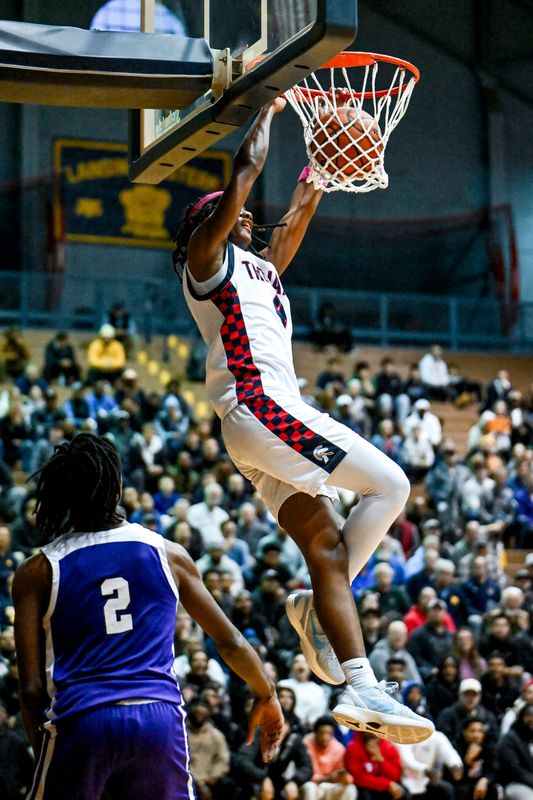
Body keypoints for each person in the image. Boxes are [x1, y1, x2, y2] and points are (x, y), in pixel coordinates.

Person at [173, 96, 433, 744]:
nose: (244, 217)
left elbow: (295, 215)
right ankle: (333, 626)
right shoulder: (207, 262)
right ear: (208, 223)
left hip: (257, 425)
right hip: (262, 410)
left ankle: (353, 678)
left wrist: (320, 162)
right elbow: (242, 177)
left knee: (323, 547)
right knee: (391, 486)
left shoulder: (261, 267)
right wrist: (269, 108)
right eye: (228, 213)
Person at [12, 433, 283, 800]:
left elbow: (30, 691)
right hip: (157, 719)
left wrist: (50, 750)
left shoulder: (38, 571)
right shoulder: (167, 554)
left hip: (82, 719)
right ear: (119, 486)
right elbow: (230, 640)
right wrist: (265, 693)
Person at [496, 703, 533, 800]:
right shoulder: (510, 739)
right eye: (528, 715)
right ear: (521, 717)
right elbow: (516, 771)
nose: (532, 719)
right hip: (514, 784)